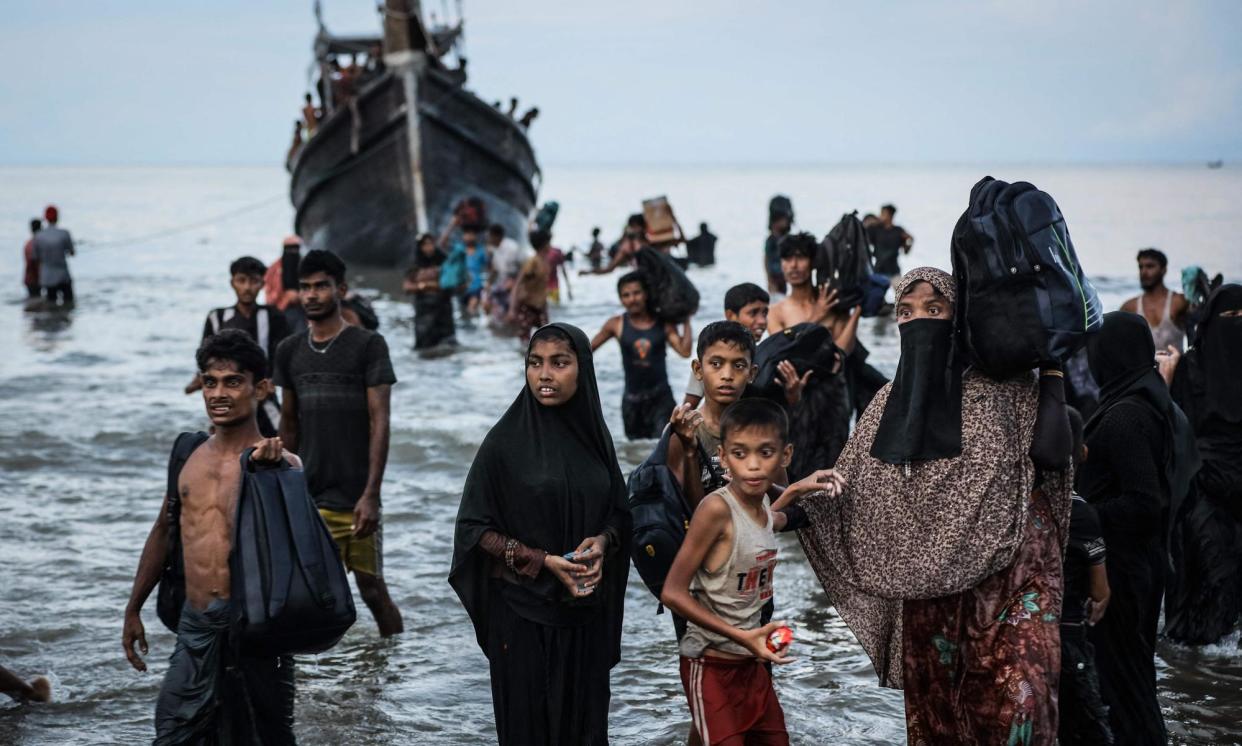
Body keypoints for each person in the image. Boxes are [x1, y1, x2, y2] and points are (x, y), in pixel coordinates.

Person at [791, 267, 1072, 744]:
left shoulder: (1006, 390)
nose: (918, 321)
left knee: (1022, 706)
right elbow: (849, 493)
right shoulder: (887, 404)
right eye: (906, 312)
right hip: (930, 598)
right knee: (941, 718)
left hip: (1012, 586)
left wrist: (1052, 368)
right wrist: (773, 503)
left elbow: (1051, 454)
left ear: (960, 319)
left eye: (935, 309)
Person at [449, 323, 631, 745]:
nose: (544, 374)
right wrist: (543, 561)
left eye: (559, 363)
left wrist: (602, 543)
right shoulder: (502, 444)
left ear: (582, 370)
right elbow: (473, 530)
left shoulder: (596, 441)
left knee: (584, 732)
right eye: (535, 363)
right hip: (521, 618)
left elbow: (620, 514)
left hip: (584, 616)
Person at [123, 330, 299, 743]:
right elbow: (165, 530)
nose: (218, 393)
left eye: (232, 382)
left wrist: (272, 476)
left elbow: (301, 554)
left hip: (259, 631)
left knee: (266, 736)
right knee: (172, 732)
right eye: (209, 382)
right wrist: (134, 608)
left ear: (261, 388)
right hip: (197, 622)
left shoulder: (281, 464)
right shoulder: (188, 454)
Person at [661, 398, 841, 746]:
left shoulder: (760, 507)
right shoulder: (714, 509)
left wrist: (796, 488)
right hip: (710, 665)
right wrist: (743, 637)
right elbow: (672, 591)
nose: (754, 466)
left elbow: (766, 520)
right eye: (740, 454)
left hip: (751, 666)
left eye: (766, 453)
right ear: (724, 459)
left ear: (785, 456)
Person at [274, 249, 404, 636]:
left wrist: (371, 494)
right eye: (305, 287)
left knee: (372, 590)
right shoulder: (289, 351)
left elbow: (381, 421)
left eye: (321, 287)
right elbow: (289, 425)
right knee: (302, 596)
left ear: (340, 289)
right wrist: (282, 492)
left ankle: (391, 663)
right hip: (308, 498)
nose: (312, 295)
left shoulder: (368, 346)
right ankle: (315, 683)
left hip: (356, 498)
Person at [1077, 311, 1181, 744]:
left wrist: (1081, 517)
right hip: (1138, 565)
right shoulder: (1146, 400)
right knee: (1130, 679)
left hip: (1122, 572)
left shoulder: (1125, 417)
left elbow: (1144, 503)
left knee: (1125, 683)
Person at [1165, 284, 1242, 645]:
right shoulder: (1190, 369)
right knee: (1211, 572)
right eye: (1230, 318)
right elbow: (1179, 432)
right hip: (1203, 490)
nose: (1237, 326)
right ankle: (1195, 667)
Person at [767, 233, 860, 479]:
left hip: (833, 393)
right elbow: (783, 354)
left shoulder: (831, 302)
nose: (793, 266)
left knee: (837, 461)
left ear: (812, 262)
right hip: (797, 395)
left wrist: (856, 311)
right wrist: (817, 317)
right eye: (787, 259)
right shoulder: (777, 312)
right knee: (797, 462)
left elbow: (843, 351)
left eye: (800, 258)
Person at [184, 256, 290, 437]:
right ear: (232, 283)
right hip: (227, 396)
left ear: (262, 283)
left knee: (279, 439)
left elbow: (283, 355)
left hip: (264, 397)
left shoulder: (274, 316)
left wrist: (274, 380)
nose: (247, 287)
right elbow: (205, 356)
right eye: (242, 280)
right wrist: (198, 380)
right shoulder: (217, 317)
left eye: (254, 281)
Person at [1058, 407, 1114, 746]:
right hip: (1067, 641)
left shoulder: (1013, 503)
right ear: (1083, 453)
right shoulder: (1080, 512)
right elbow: (1099, 590)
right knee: (1091, 732)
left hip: (1018, 641)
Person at [590, 271, 692, 440]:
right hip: (632, 402)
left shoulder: (663, 324)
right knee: (634, 452)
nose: (632, 299)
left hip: (661, 399)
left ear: (646, 294)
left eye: (637, 293)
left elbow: (684, 351)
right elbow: (588, 349)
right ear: (621, 299)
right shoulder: (616, 324)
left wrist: (686, 320)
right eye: (626, 295)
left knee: (665, 446)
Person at [683, 283, 772, 409]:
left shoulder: (769, 355)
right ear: (730, 315)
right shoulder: (711, 355)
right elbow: (688, 407)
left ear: (752, 372)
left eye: (764, 313)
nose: (762, 321)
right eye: (753, 313)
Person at [1120, 248, 1188, 352]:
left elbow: (1202, 324)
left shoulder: (1179, 301)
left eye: (1150, 266)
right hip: (1144, 368)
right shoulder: (1130, 307)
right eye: (1141, 267)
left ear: (1163, 270)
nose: (1144, 272)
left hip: (1177, 366)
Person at [403, 233, 457, 349]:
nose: (429, 248)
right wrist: (425, 286)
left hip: (443, 309)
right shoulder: (415, 265)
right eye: (425, 245)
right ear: (420, 247)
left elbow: (450, 283)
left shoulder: (443, 261)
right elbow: (407, 287)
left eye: (431, 244)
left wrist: (425, 285)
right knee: (425, 345)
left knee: (447, 344)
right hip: (424, 311)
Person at [508, 230, 554, 342]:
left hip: (540, 305)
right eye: (549, 243)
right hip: (528, 306)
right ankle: (525, 358)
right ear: (544, 245)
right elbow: (518, 284)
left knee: (547, 336)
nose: (550, 246)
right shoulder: (532, 262)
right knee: (524, 338)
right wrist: (512, 309)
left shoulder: (545, 262)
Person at [485, 223, 528, 326]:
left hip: (516, 284)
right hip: (503, 284)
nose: (488, 240)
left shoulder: (512, 247)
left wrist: (515, 283)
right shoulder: (494, 249)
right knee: (490, 307)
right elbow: (495, 270)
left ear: (497, 236)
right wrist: (488, 284)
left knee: (513, 316)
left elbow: (525, 267)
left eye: (490, 237)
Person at [33, 205, 75, 307]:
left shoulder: (38, 236)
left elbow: (35, 257)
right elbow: (72, 252)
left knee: (51, 306)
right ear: (57, 217)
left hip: (48, 277)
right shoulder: (64, 234)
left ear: (46, 218)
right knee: (69, 305)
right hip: (63, 275)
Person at [265, 235, 307, 335]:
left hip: (303, 312)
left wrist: (300, 296)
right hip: (279, 312)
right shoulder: (274, 269)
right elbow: (268, 294)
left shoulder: (306, 266)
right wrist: (286, 298)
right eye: (289, 248)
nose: (292, 252)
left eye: (295, 248)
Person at [582, 216, 646, 276]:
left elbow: (608, 268)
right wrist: (589, 272)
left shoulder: (645, 243)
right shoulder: (626, 247)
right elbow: (609, 268)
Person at [866, 204, 914, 281]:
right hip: (879, 270)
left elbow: (908, 242)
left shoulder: (898, 230)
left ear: (890, 215)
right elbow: (865, 238)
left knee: (901, 290)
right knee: (875, 291)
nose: (880, 216)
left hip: (894, 271)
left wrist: (908, 244)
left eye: (883, 213)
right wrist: (871, 223)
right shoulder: (876, 230)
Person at [764, 211, 791, 296]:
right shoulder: (771, 240)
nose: (784, 222)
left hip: (783, 275)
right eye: (781, 220)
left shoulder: (786, 238)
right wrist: (769, 279)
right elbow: (766, 259)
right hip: (774, 276)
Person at [545, 239, 572, 304]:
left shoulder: (541, 252)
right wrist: (568, 289)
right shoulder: (557, 252)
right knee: (556, 306)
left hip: (544, 286)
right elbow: (564, 271)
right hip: (553, 286)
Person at [22, 217, 41, 299]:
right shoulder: (36, 244)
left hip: (29, 278)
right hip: (34, 278)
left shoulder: (28, 244)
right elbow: (32, 263)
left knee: (34, 299)